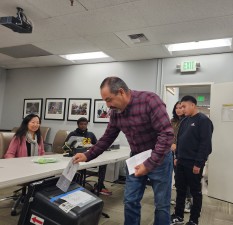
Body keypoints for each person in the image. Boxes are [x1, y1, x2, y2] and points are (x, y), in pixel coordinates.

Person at [73, 76, 174, 225]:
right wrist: (87, 155)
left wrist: (149, 164)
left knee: (161, 204)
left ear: (121, 92)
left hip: (159, 159)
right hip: (136, 158)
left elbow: (166, 134)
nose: (108, 105)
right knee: (130, 200)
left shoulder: (150, 101)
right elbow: (107, 138)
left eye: (109, 100)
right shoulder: (115, 112)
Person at [171, 95, 213, 225]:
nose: (182, 109)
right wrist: (177, 157)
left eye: (184, 106)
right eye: (180, 107)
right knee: (180, 189)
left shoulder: (203, 121)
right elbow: (179, 141)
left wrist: (199, 163)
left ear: (193, 105)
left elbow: (205, 145)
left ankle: (194, 220)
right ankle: (178, 215)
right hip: (181, 162)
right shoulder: (184, 121)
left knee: (195, 192)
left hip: (194, 163)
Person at [65, 117, 112, 196]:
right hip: (76, 157)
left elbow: (96, 145)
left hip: (88, 157)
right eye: (81, 124)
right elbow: (65, 146)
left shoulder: (90, 134)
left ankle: (100, 186)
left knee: (103, 164)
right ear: (78, 125)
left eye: (85, 124)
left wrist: (91, 146)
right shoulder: (73, 134)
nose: (83, 126)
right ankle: (75, 185)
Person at [170, 101, 193, 213]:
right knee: (178, 178)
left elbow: (188, 138)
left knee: (186, 179)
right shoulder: (172, 121)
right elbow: (168, 135)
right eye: (177, 108)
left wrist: (177, 145)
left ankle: (188, 201)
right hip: (173, 153)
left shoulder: (188, 120)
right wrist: (171, 144)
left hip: (184, 153)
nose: (179, 110)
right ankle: (180, 199)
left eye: (181, 107)